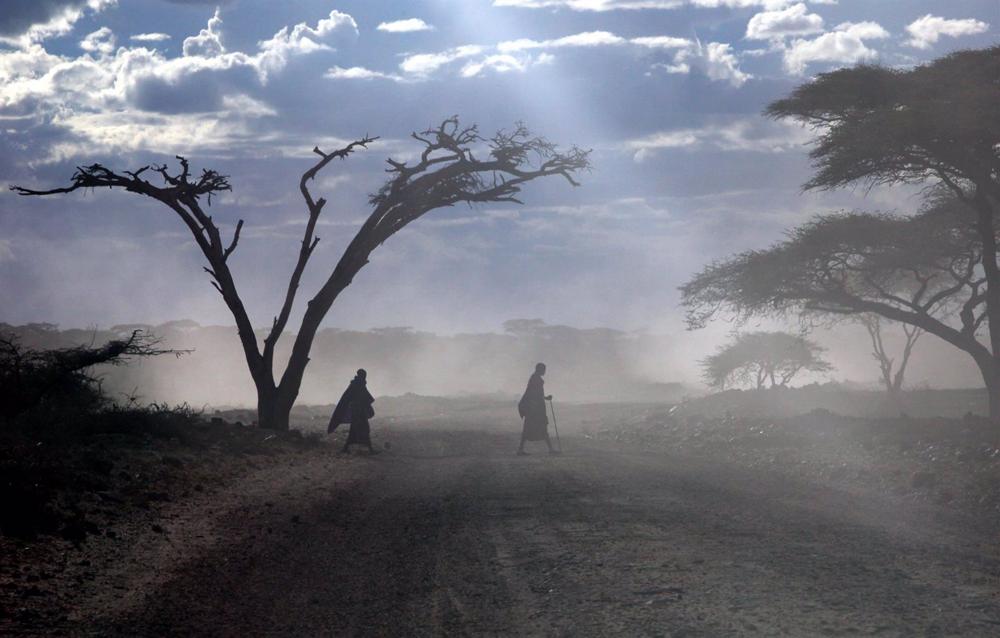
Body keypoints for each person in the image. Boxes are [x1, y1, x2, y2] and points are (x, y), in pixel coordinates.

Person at [328, 369, 376, 454]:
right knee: (363, 430)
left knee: (356, 431)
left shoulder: (358, 384)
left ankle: (346, 448)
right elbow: (359, 397)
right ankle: (369, 449)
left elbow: (364, 397)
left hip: (358, 411)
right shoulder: (358, 384)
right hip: (358, 412)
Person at [517, 362, 557, 455]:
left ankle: (550, 449)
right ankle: (550, 449)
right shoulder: (535, 379)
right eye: (544, 370)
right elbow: (533, 394)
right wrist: (537, 404)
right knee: (536, 428)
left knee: (535, 428)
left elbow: (538, 394)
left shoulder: (535, 378)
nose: (545, 372)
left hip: (535, 408)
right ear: (540, 369)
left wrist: (546, 398)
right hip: (534, 409)